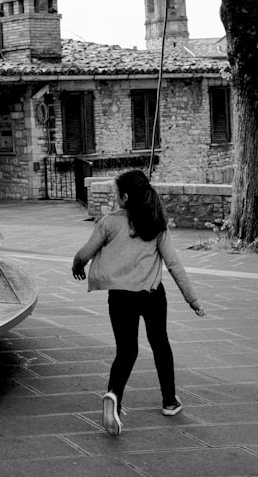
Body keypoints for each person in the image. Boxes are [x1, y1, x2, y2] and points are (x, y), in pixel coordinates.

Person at [71, 170, 205, 437]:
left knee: (126, 350)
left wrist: (77, 265)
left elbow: (85, 253)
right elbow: (174, 265)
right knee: (160, 345)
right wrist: (193, 300)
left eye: (116, 194)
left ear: (125, 197)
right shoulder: (157, 224)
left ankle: (114, 396)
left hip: (120, 297)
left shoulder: (109, 223)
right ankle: (169, 401)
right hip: (152, 295)